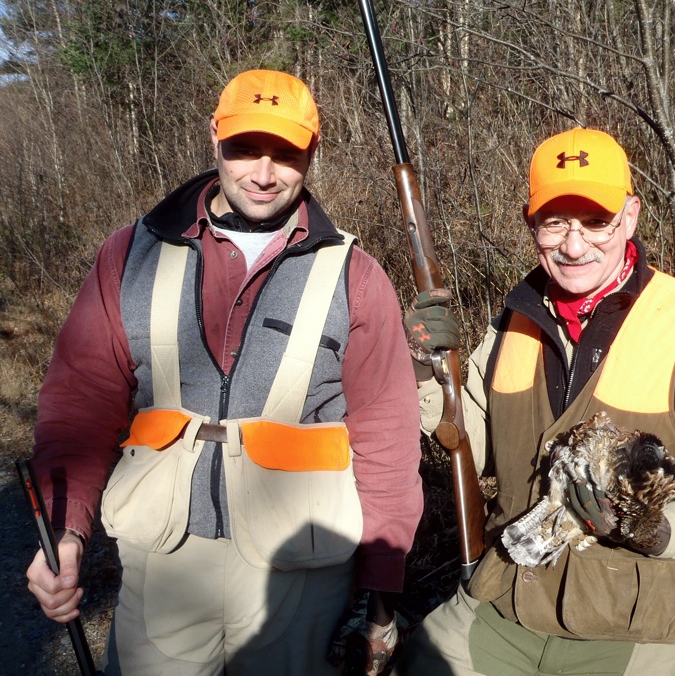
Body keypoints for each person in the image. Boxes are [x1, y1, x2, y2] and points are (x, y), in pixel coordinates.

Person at [25, 69, 423, 676]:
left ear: (312, 152)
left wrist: (381, 595)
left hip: (302, 574)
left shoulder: (357, 276)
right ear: (214, 137)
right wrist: (66, 531)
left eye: (285, 154)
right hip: (162, 560)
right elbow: (81, 402)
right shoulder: (130, 253)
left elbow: (387, 437)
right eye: (244, 149)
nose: (263, 174)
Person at [395, 127, 675, 676]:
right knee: (422, 661)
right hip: (515, 591)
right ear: (530, 222)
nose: (574, 244)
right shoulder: (512, 323)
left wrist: (661, 530)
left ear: (630, 216)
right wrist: (422, 367)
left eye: (595, 221)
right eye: (555, 221)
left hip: (643, 613)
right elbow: (474, 445)